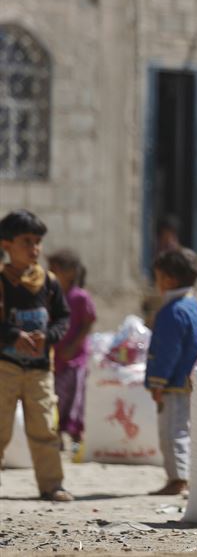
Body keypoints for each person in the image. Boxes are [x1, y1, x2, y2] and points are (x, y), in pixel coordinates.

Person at [0, 210, 73, 501]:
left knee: (45, 427)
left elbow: (63, 319)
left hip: (40, 369)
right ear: (6, 244)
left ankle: (51, 484)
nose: (34, 249)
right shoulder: (2, 282)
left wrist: (49, 337)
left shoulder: (49, 283)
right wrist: (14, 336)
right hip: (5, 368)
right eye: (26, 241)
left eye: (38, 241)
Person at [145, 247, 197, 497]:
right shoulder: (192, 306)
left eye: (158, 277)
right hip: (189, 380)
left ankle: (177, 478)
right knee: (183, 429)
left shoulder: (172, 312)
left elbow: (166, 351)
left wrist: (158, 382)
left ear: (169, 279)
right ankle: (182, 476)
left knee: (172, 432)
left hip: (173, 383)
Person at [48, 249, 96, 450]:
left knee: (74, 398)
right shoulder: (52, 294)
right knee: (56, 397)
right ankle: (57, 436)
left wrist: (73, 346)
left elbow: (88, 322)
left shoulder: (80, 297)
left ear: (69, 272)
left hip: (74, 358)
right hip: (55, 356)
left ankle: (76, 437)